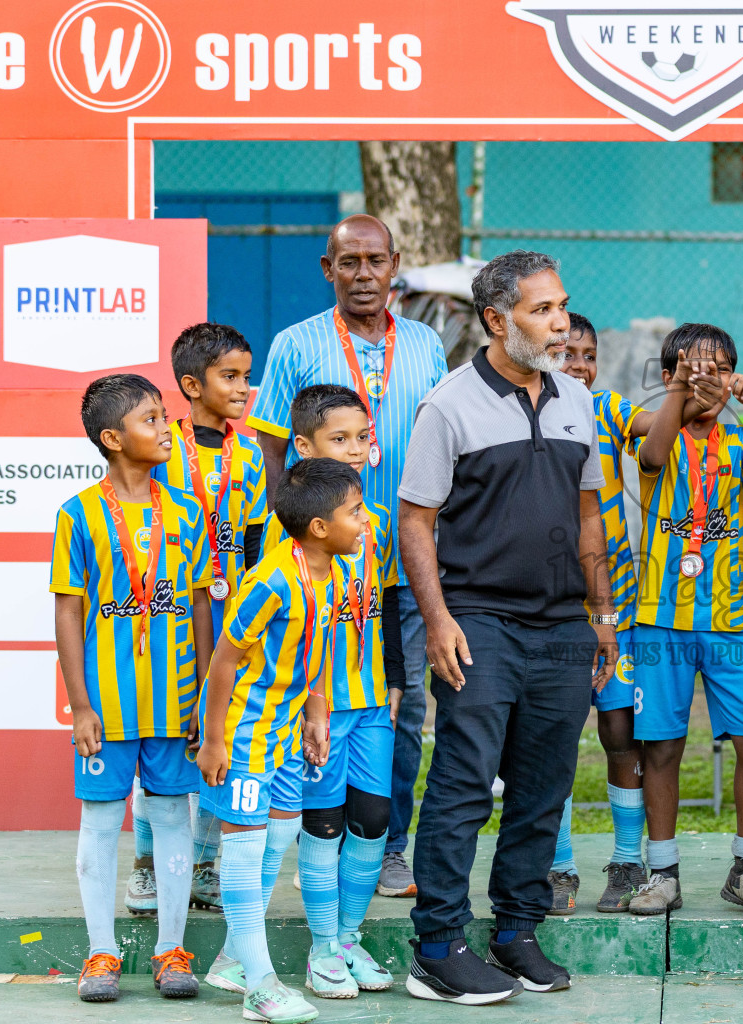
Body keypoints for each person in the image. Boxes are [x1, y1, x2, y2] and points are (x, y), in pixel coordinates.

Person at [397, 250, 618, 1004]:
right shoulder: (448, 405)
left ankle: (517, 931)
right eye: (542, 310)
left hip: (562, 626)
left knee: (543, 784)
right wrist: (437, 620)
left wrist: (601, 612)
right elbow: (416, 520)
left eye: (562, 306)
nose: (561, 324)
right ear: (497, 320)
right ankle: (438, 946)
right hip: (478, 621)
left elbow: (589, 512)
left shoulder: (576, 399)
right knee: (463, 783)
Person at [246, 214, 449, 900]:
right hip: (327, 568)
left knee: (403, 711)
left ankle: (388, 847)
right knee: (317, 700)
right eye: (349, 262)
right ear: (327, 269)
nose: (364, 274)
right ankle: (314, 839)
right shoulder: (295, 343)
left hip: (407, 561)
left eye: (375, 260)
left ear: (395, 264)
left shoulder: (424, 343)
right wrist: (298, 546)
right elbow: (274, 452)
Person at [53, 373, 212, 1004]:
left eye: (165, 415)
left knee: (172, 814)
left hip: (175, 699)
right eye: (151, 419)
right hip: (107, 704)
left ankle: (171, 948)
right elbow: (69, 609)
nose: (167, 428)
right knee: (99, 819)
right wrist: (81, 704)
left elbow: (200, 604)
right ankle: (101, 952)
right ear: (113, 438)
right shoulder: (78, 514)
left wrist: (206, 696)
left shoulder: (190, 512)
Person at [626, 322, 743, 919]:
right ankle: (662, 872)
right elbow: (652, 456)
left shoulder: (740, 439)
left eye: (720, 369)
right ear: (669, 376)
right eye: (694, 370)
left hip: (728, 619)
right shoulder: (656, 430)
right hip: (660, 619)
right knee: (662, 746)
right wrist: (680, 393)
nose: (709, 380)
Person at [197, 457, 363, 1024]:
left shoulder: (333, 572)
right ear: (319, 527)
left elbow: (318, 647)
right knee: (245, 850)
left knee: (285, 829)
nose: (364, 521)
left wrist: (316, 711)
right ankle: (260, 988)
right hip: (244, 734)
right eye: (355, 512)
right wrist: (213, 741)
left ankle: (230, 960)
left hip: (286, 732)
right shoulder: (270, 579)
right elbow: (224, 662)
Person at [131, 323, 267, 918]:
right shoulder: (160, 449)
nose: (242, 388)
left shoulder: (250, 456)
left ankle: (205, 863)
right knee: (165, 736)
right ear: (191, 385)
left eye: (246, 376)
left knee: (221, 734)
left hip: (231, 618)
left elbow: (254, 545)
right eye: (228, 376)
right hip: (169, 617)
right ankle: (146, 865)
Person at [276, 386, 402, 998]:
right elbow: (281, 630)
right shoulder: (289, 536)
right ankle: (322, 949)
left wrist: (396, 679)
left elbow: (389, 602)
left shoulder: (373, 522)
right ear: (304, 446)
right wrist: (303, 703)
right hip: (317, 709)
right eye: (339, 439)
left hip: (373, 700)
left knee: (373, 818)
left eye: (361, 438)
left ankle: (349, 939)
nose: (355, 449)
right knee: (323, 824)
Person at [552, 312, 660, 914]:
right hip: (553, 612)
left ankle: (625, 860)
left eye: (588, 355)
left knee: (620, 732)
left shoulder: (606, 409)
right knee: (554, 738)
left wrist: (686, 390)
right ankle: (558, 863)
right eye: (566, 353)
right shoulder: (523, 415)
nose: (579, 366)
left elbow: (654, 426)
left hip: (614, 607)